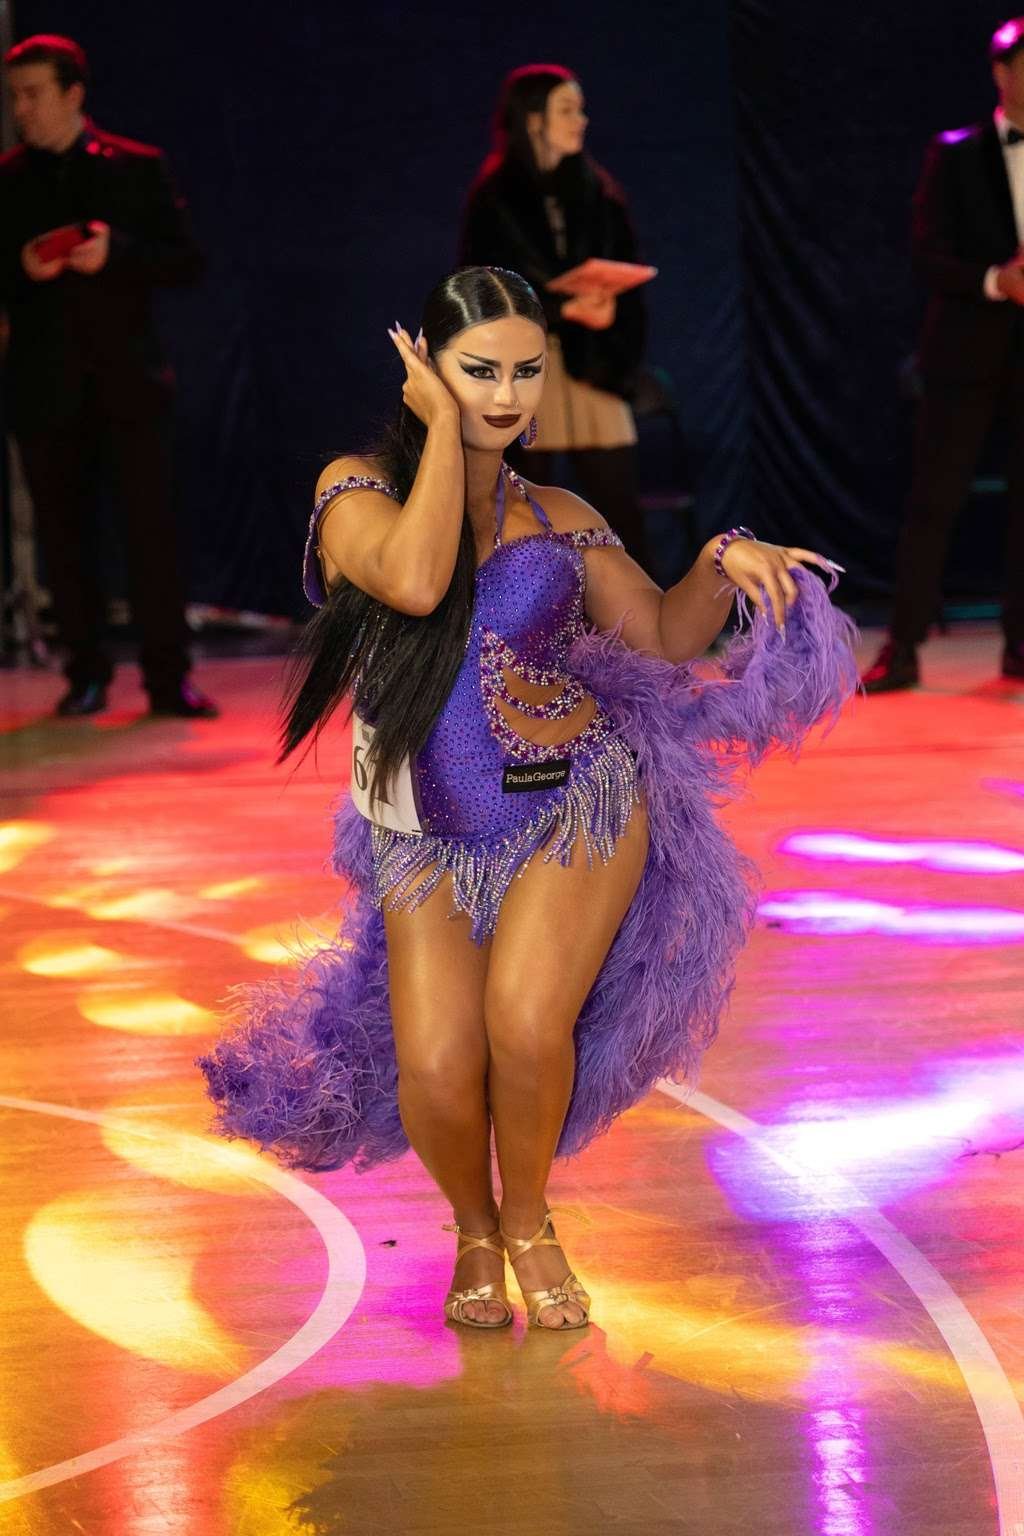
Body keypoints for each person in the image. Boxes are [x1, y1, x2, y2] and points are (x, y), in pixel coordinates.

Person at [200, 267, 856, 1331]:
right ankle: (473, 1229)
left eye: (526, 370)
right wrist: (439, 438)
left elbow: (663, 635)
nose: (505, 395)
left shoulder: (560, 516)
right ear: (427, 369)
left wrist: (719, 561)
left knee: (524, 1020)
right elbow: (417, 580)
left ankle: (529, 1219)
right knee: (437, 1066)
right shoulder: (355, 493)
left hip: (577, 801)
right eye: (479, 372)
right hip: (427, 828)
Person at [0, 34, 217, 718]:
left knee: (151, 536)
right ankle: (85, 673)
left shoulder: (134, 167)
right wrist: (22, 267)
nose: (22, 109)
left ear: (73, 94)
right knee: (65, 542)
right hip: (46, 388)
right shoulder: (9, 181)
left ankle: (167, 677)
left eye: (34, 94)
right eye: (15, 96)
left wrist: (115, 251)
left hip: (128, 384)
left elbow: (185, 262)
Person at [863, 17, 1024, 693]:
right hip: (966, 352)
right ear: (1001, 72)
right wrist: (995, 279)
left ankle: (1020, 645)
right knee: (934, 501)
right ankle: (902, 645)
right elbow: (928, 254)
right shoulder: (956, 153)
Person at [459, 65, 651, 570]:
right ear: (534, 119)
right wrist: (559, 307)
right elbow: (484, 287)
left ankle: (639, 605)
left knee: (616, 500)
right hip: (526, 362)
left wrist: (609, 306)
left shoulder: (598, 191)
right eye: (567, 110)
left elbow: (625, 270)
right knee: (521, 501)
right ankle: (518, 604)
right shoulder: (495, 198)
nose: (581, 120)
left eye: (579, 109)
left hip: (592, 359)